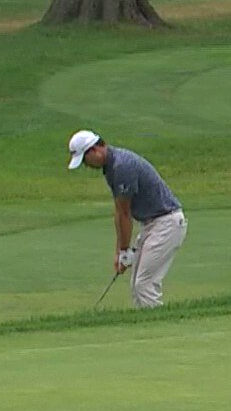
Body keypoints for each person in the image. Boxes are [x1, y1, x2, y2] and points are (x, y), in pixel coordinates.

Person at [67, 130, 187, 309]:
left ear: (94, 150)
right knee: (137, 284)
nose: (86, 165)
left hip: (166, 222)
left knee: (144, 284)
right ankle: (147, 324)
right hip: (153, 224)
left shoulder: (122, 166)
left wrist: (124, 251)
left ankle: (158, 327)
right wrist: (120, 252)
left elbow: (124, 214)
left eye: (85, 159)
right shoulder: (112, 166)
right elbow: (119, 212)